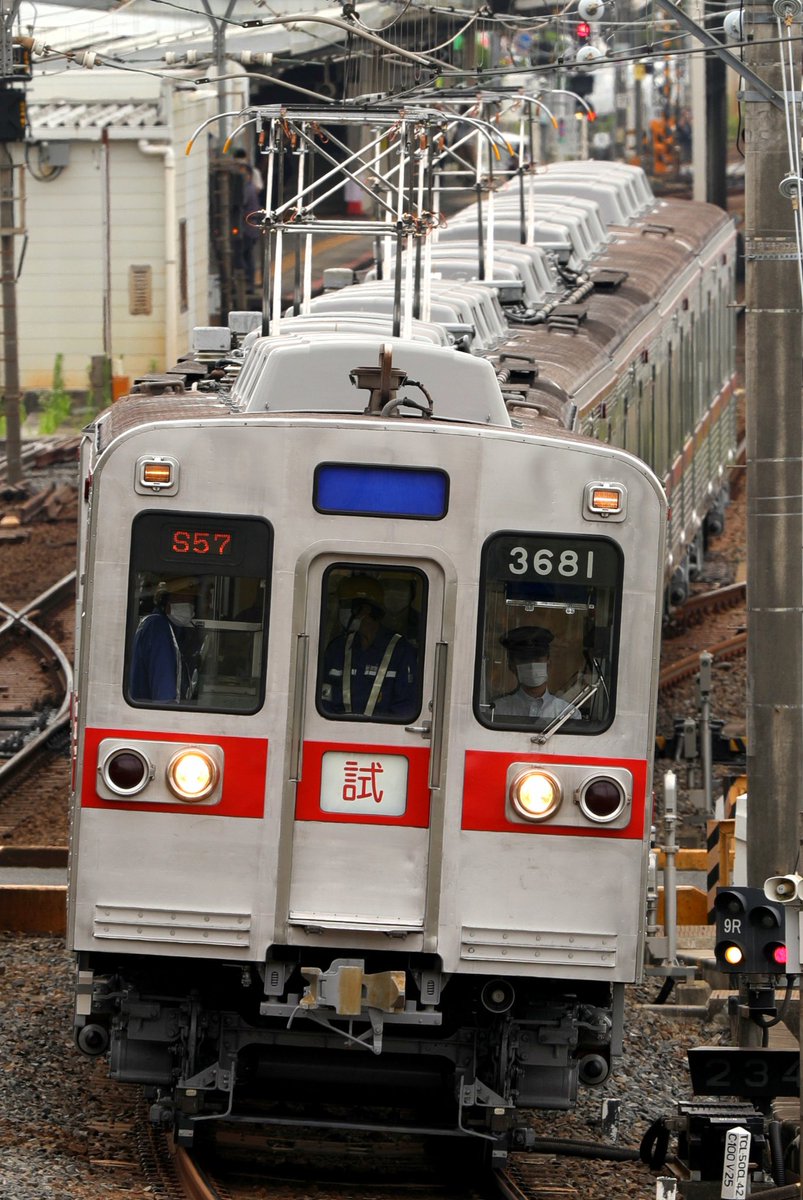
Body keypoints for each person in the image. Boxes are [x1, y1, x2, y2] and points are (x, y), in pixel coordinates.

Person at [320, 576, 418, 719]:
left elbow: (405, 708)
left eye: (345, 606)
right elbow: (324, 700)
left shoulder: (402, 652)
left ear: (364, 609)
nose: (341, 611)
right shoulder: (337, 649)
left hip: (383, 735)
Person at [129, 585, 198, 703]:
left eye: (191, 601)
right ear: (166, 601)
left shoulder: (170, 628)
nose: (188, 605)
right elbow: (164, 694)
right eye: (181, 599)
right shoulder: (158, 628)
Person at [492, 626, 570, 721]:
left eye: (537, 659)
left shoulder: (566, 712)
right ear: (512, 666)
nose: (532, 665)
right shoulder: (497, 710)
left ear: (548, 663)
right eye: (525, 660)